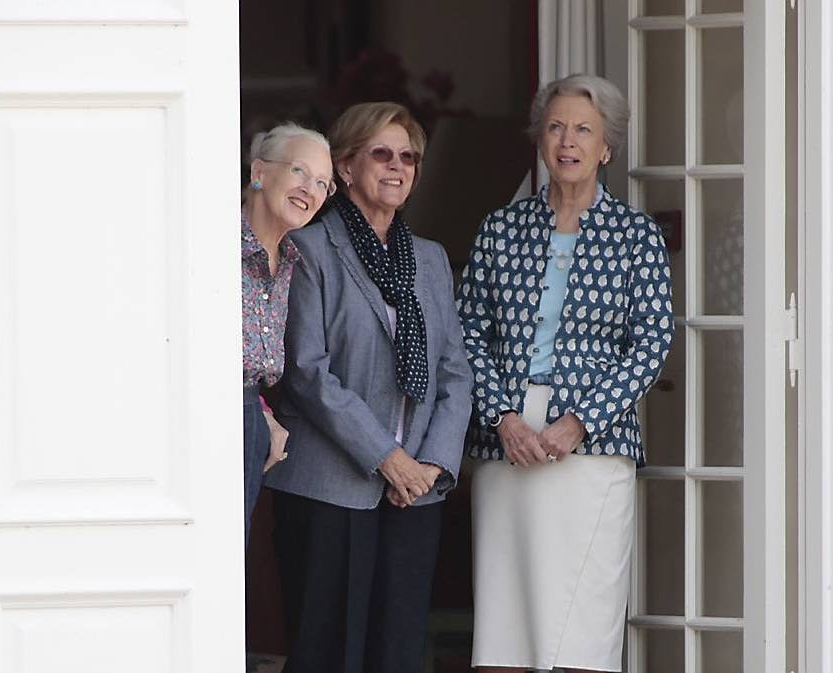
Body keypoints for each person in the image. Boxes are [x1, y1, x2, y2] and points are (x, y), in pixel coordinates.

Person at [457, 74, 675, 672]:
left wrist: (582, 421)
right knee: (504, 629)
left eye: (584, 129)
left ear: (607, 147)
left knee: (582, 632)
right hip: (508, 447)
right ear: (540, 140)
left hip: (592, 451)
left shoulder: (637, 238)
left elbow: (652, 341)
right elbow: (468, 332)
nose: (568, 141)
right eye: (556, 127)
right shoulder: (501, 229)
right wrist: (501, 417)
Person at [264, 101, 473, 673]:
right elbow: (307, 371)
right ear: (347, 166)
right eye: (381, 153)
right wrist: (387, 457)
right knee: (329, 655)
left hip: (416, 494)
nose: (397, 166)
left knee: (398, 653)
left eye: (408, 157)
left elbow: (455, 371)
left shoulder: (429, 261)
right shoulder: (310, 247)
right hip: (330, 489)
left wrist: (428, 464)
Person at [241, 121, 334, 546]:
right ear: (259, 172)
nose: (309, 189)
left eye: (322, 183)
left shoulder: (293, 259)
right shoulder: (207, 243)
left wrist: (260, 411)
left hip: (249, 422)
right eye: (299, 171)